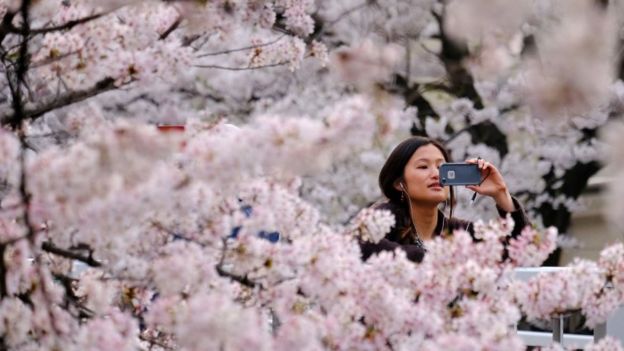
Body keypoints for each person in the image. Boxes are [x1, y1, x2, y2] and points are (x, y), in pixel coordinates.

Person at [360, 136, 530, 263]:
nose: (436, 174)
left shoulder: (459, 232)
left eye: (442, 167)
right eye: (423, 166)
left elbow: (519, 250)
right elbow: (361, 242)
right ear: (399, 183)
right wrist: (429, 257)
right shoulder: (385, 218)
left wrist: (501, 194)